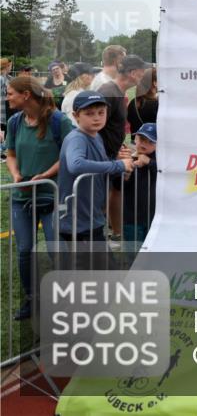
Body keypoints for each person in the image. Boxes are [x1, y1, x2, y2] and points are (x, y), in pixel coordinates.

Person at [5, 77, 74, 320]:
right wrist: (16, 175)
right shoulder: (14, 122)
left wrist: (44, 175)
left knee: (58, 250)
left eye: (10, 93)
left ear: (26, 95)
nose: (7, 97)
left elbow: (70, 154)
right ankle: (32, 300)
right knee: (25, 250)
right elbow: (10, 154)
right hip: (22, 199)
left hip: (53, 197)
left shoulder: (58, 121)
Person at [57, 91, 132, 249]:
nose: (96, 117)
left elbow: (100, 167)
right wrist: (118, 165)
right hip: (77, 220)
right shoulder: (77, 138)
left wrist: (120, 166)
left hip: (92, 216)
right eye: (89, 113)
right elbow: (76, 164)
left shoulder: (96, 136)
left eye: (101, 112)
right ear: (76, 116)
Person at [96, 54, 148, 242]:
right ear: (133, 73)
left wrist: (120, 146)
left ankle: (113, 235)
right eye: (141, 74)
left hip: (112, 156)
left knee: (111, 194)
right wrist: (112, 152)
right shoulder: (109, 91)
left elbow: (111, 127)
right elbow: (95, 126)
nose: (142, 78)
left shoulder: (117, 92)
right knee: (99, 202)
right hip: (104, 159)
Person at [123, 123, 157, 245]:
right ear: (135, 138)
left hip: (154, 219)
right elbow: (117, 186)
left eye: (150, 142)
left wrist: (149, 162)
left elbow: (164, 172)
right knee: (133, 255)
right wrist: (125, 176)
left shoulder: (160, 161)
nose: (144, 144)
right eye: (142, 139)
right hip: (131, 219)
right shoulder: (129, 160)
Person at [127, 68, 158, 142]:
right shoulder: (157, 104)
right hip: (149, 146)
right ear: (155, 83)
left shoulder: (133, 102)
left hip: (135, 144)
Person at [0, 57, 11, 151]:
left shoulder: (8, 78)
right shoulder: (1, 79)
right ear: (6, 66)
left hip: (7, 107)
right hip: (2, 106)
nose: (11, 67)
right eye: (10, 65)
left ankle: (4, 147)